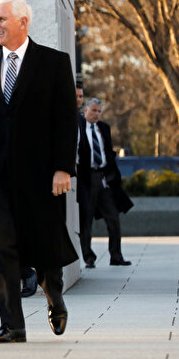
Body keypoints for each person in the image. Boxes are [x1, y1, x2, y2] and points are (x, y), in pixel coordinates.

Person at [0, 0, 78, 344]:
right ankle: (13, 325)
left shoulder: (54, 63)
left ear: (23, 22)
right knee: (2, 248)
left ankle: (53, 294)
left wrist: (63, 169)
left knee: (44, 245)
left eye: (2, 19)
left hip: (41, 178)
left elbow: (66, 122)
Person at [76, 98, 133, 268]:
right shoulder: (78, 127)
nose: (96, 114)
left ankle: (116, 256)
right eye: (94, 110)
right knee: (86, 219)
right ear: (85, 110)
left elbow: (107, 152)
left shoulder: (104, 128)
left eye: (99, 111)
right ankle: (88, 257)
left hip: (104, 178)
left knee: (113, 218)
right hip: (87, 179)